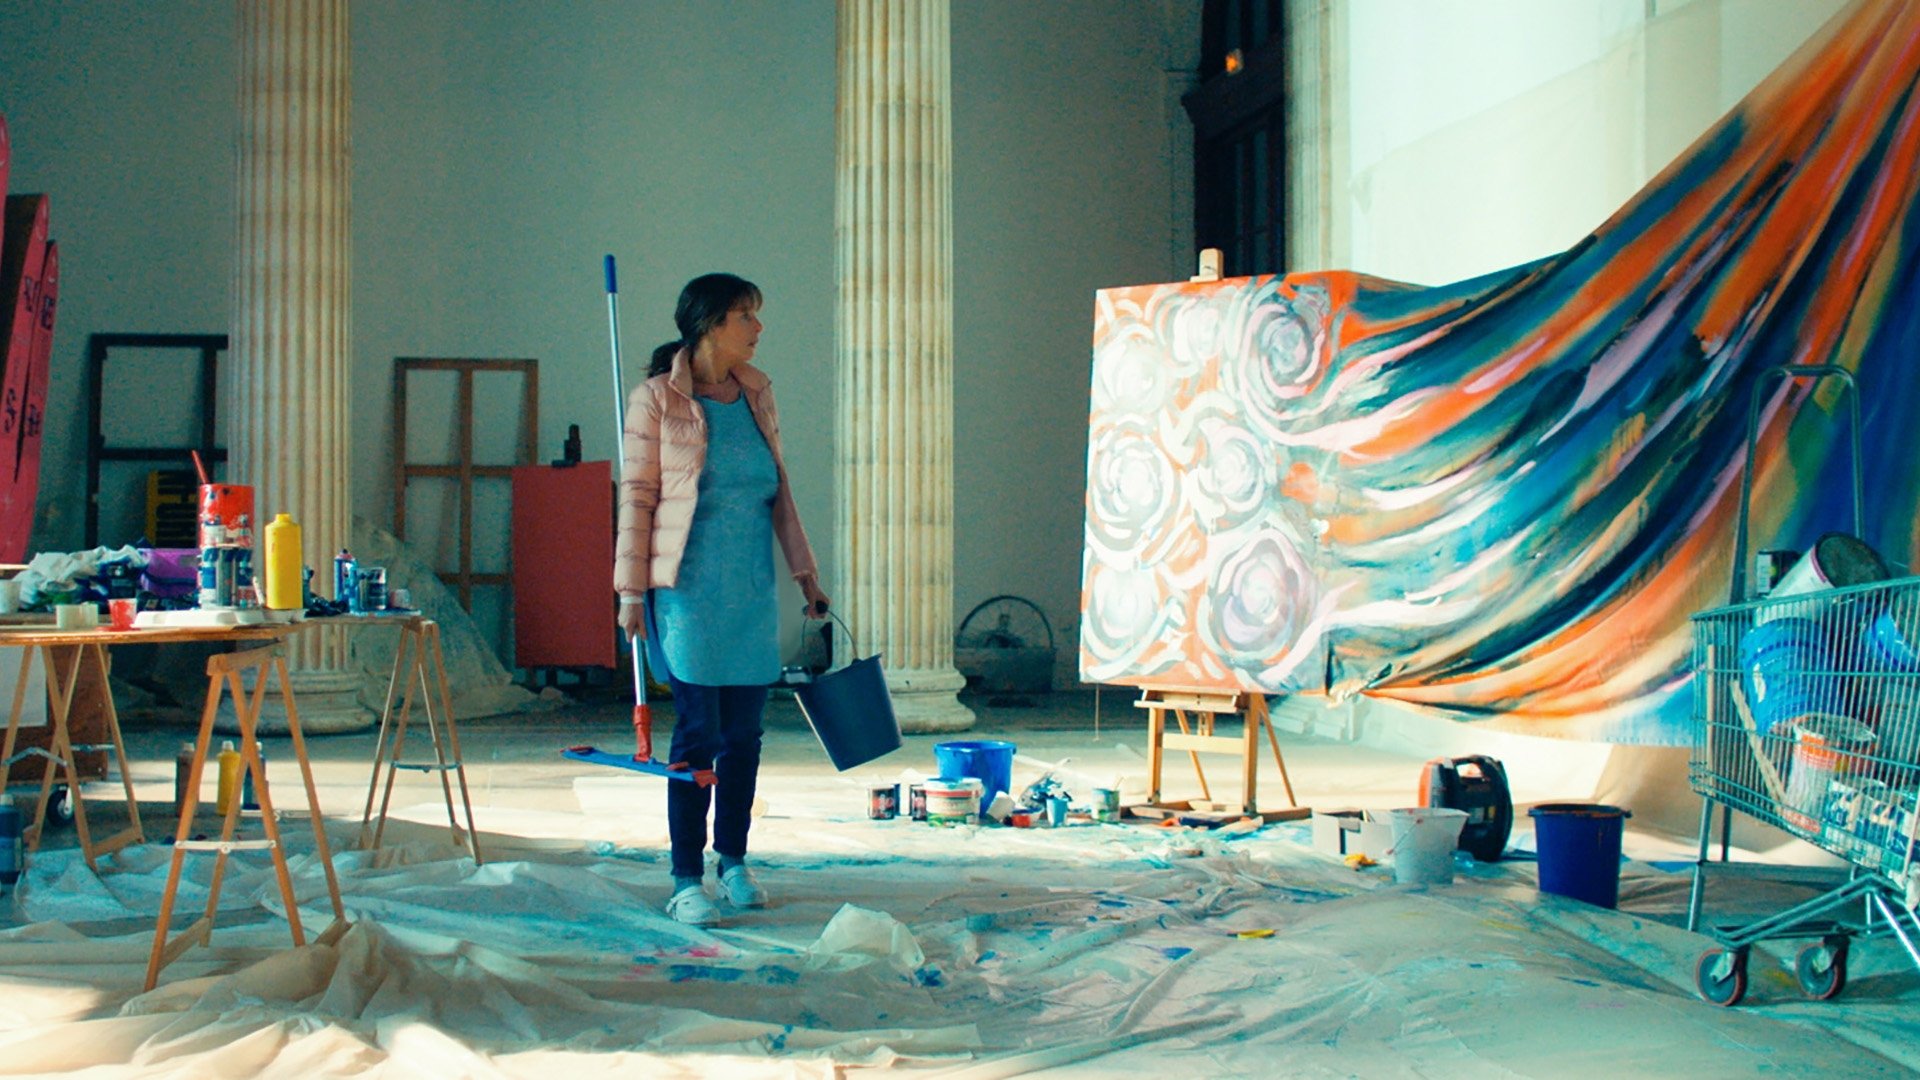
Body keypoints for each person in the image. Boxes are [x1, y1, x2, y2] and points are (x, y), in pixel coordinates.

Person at [615, 272, 830, 927]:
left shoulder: (758, 394)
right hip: (686, 592)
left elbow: (779, 489)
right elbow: (637, 499)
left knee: (744, 736)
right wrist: (630, 592)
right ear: (711, 323)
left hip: (750, 590)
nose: (758, 328)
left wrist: (805, 573)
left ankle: (732, 860)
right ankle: (686, 879)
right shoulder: (656, 400)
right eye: (746, 316)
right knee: (698, 733)